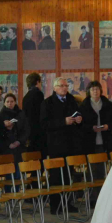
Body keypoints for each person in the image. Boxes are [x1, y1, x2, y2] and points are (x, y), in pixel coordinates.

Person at [41, 77, 83, 212]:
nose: (64, 88)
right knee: (56, 176)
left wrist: (79, 119)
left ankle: (67, 203)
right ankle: (56, 205)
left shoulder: (72, 101)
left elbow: (78, 116)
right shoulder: (47, 103)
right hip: (56, 145)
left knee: (68, 175)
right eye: (61, 86)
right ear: (54, 88)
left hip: (70, 143)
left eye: (66, 86)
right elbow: (44, 124)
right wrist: (63, 122)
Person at [79, 80, 112, 157]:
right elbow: (80, 125)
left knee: (107, 163)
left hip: (106, 141)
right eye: (92, 89)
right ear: (89, 91)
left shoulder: (109, 104)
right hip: (89, 142)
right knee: (93, 164)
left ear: (100, 90)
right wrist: (91, 128)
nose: (95, 91)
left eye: (97, 89)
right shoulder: (83, 106)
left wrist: (107, 126)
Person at [22, 73, 45, 154]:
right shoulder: (39, 94)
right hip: (38, 130)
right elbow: (41, 112)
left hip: (29, 130)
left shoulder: (25, 97)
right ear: (38, 82)